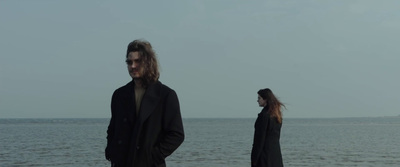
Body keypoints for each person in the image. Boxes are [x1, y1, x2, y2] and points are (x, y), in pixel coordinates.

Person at [105, 39, 184, 167]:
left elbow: (177, 135)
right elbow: (113, 129)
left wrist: (152, 156)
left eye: (138, 61)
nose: (133, 66)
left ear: (148, 62)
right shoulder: (119, 95)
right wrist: (111, 152)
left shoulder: (166, 95)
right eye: (129, 62)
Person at [251, 88, 285, 167]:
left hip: (264, 156)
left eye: (259, 98)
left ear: (265, 99)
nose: (257, 100)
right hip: (276, 155)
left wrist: (254, 159)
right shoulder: (277, 115)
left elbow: (259, 140)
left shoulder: (264, 116)